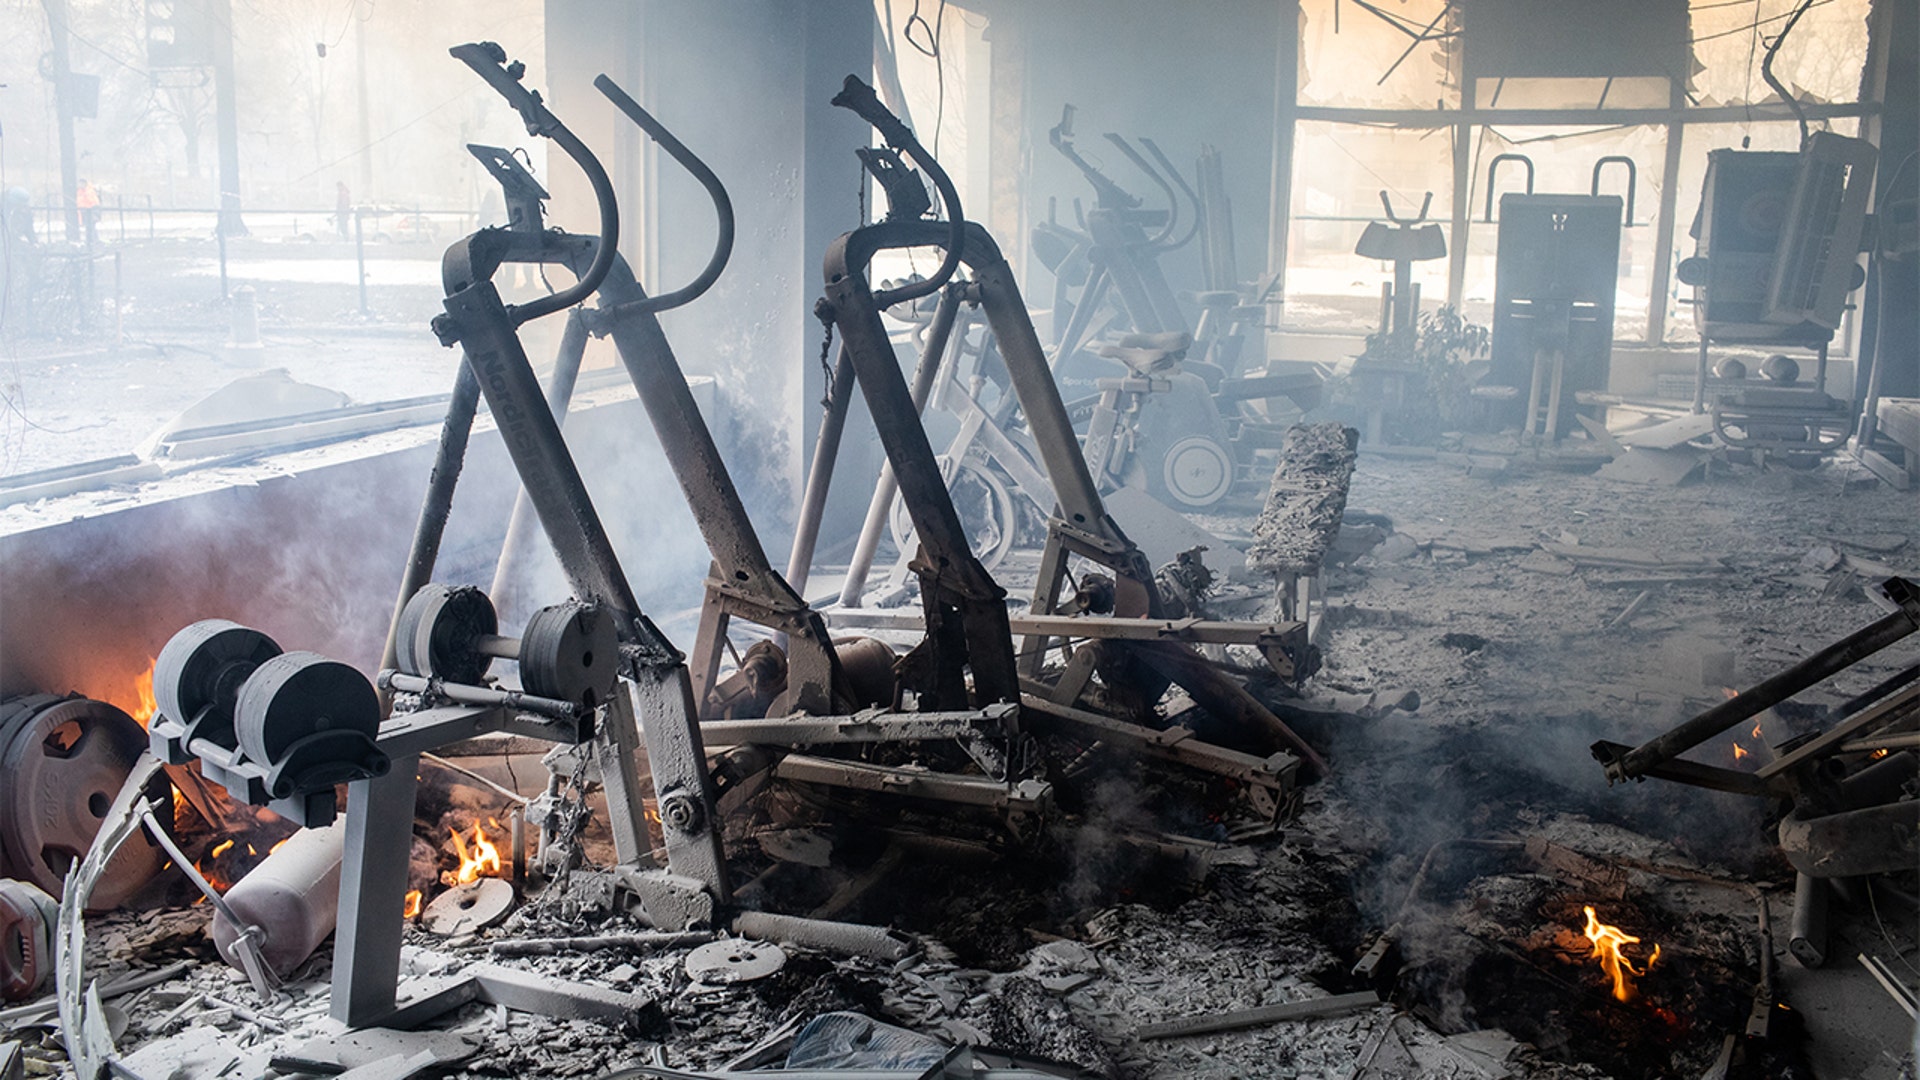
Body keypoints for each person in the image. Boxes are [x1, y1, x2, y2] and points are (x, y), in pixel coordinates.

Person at [75, 178, 100, 246]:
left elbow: (93, 201)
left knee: (91, 226)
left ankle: (94, 240)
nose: (80, 185)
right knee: (88, 227)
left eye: (81, 183)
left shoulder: (89, 191)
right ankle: (90, 241)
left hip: (91, 211)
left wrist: (86, 195)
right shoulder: (79, 191)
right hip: (84, 211)